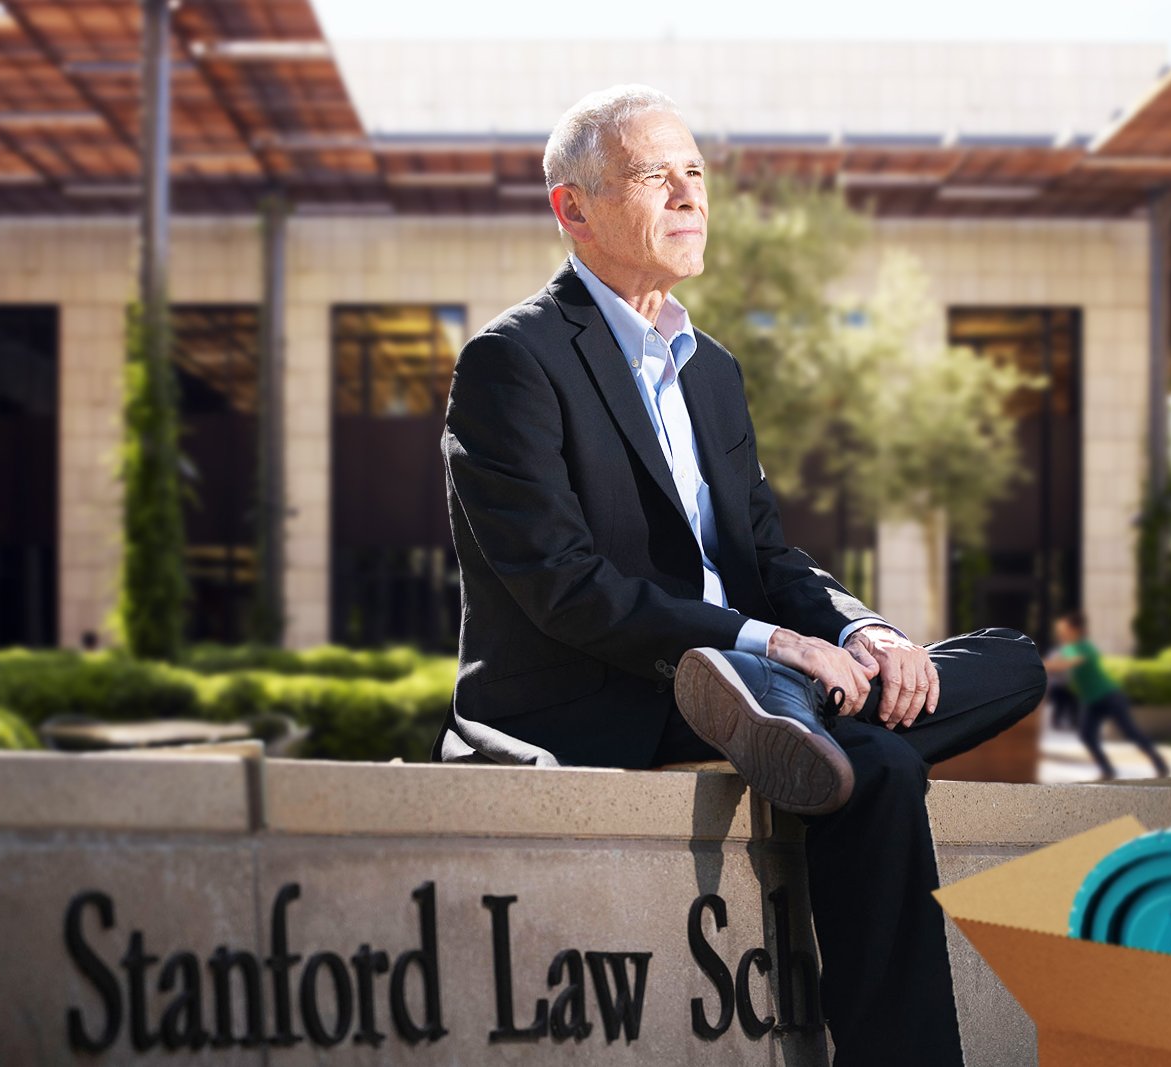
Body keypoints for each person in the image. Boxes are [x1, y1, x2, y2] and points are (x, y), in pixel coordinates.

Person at [434, 84, 1046, 1066]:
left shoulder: (709, 367)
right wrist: (762, 641)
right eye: (653, 175)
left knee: (1012, 659)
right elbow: (564, 587)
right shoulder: (511, 361)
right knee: (882, 761)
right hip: (619, 683)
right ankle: (783, 711)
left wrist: (861, 633)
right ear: (573, 208)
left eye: (696, 175)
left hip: (767, 675)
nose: (688, 196)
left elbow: (764, 554)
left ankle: (796, 718)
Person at [1043, 610, 1169, 781]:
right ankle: (1107, 770)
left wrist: (1041, 665)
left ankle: (1160, 764)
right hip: (1091, 701)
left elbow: (1065, 663)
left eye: (1063, 630)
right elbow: (1059, 664)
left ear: (1075, 630)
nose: (1060, 633)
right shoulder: (1068, 649)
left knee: (1131, 733)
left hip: (1109, 696)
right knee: (1087, 735)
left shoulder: (1083, 647)